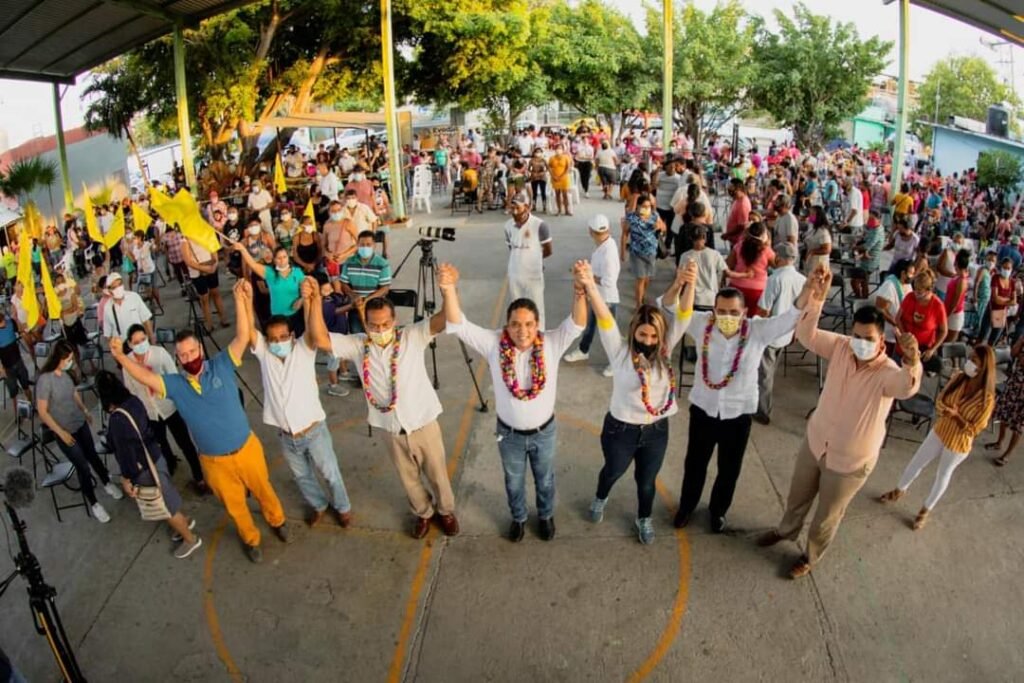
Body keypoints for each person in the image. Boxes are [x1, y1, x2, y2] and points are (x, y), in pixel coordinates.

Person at [757, 269, 922, 578]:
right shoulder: (842, 347)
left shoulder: (887, 372)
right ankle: (785, 531)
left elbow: (906, 387)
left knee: (827, 515)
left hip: (850, 461)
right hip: (816, 442)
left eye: (868, 339)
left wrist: (912, 361)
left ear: (881, 339)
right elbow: (806, 335)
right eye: (857, 336)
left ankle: (810, 556)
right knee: (797, 497)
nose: (860, 343)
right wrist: (816, 299)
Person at [110, 281, 290, 564]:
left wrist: (241, 300)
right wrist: (121, 356)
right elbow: (145, 377)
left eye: (192, 352)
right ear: (177, 358)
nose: (188, 358)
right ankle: (251, 539)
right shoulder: (175, 385)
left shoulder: (221, 365)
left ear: (201, 351)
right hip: (214, 462)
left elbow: (243, 336)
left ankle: (277, 520)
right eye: (182, 355)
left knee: (264, 489)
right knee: (234, 505)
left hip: (247, 448)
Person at [310, 271, 461, 539]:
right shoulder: (358, 345)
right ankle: (423, 512)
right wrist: (312, 302)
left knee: (438, 474)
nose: (380, 330)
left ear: (395, 321)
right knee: (408, 479)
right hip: (390, 429)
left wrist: (448, 290)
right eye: (374, 325)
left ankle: (446, 511)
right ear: (365, 324)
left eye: (385, 324)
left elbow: (444, 318)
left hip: (423, 423)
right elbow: (320, 339)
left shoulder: (412, 336)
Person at [445, 266, 587, 542]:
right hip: (509, 435)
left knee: (545, 479)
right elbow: (458, 324)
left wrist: (580, 291)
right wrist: (449, 288)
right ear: (506, 326)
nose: (522, 331)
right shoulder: (494, 344)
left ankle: (545, 515)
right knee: (513, 481)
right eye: (515, 324)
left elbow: (577, 324)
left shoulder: (551, 344)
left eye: (529, 324)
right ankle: (519, 517)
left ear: (537, 325)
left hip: (544, 433)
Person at [673, 280, 811, 533]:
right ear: (713, 311)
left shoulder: (757, 330)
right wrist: (683, 282)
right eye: (722, 311)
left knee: (729, 469)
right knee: (695, 464)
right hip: (703, 409)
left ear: (745, 312)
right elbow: (670, 308)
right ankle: (686, 507)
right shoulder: (702, 324)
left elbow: (790, 318)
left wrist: (808, 290)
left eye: (734, 312)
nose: (727, 317)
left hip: (738, 415)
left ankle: (718, 511)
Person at [578, 259, 696, 543]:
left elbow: (684, 315)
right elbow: (604, 318)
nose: (648, 340)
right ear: (633, 332)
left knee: (646, 482)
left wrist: (689, 282)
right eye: (643, 334)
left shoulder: (665, 351)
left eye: (654, 335)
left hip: (657, 431)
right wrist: (590, 286)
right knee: (612, 472)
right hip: (621, 430)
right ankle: (601, 497)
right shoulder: (619, 352)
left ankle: (644, 518)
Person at [244, 286, 353, 529]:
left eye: (283, 337)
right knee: (302, 476)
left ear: (293, 336)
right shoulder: (265, 356)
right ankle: (319, 505)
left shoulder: (304, 350)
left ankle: (343, 507)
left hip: (314, 431)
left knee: (330, 473)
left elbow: (313, 330)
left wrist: (311, 300)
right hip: (286, 436)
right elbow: (249, 330)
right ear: (267, 341)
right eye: (273, 339)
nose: (278, 342)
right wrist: (245, 300)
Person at [879, 345, 996, 529]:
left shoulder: (986, 399)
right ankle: (899, 490)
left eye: (974, 361)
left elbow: (974, 429)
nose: (969, 363)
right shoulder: (959, 378)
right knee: (917, 461)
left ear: (984, 368)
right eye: (970, 358)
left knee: (943, 475)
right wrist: (946, 412)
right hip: (940, 430)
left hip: (958, 443)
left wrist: (956, 417)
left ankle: (925, 510)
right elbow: (940, 400)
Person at [97, 371, 203, 559]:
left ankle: (190, 539)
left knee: (164, 506)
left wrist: (126, 479)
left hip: (144, 468)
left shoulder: (117, 420)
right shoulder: (134, 401)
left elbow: (125, 454)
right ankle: (184, 522)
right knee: (167, 495)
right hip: (156, 456)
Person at [36, 340, 122, 523]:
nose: (71, 362)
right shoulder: (45, 380)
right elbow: (42, 412)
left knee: (92, 455)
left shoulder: (67, 373)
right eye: (68, 359)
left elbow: (73, 393)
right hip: (65, 431)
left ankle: (107, 482)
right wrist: (61, 433)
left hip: (79, 423)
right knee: (82, 466)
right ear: (58, 358)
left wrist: (84, 410)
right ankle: (94, 503)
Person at [120, 324, 208, 494]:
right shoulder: (128, 364)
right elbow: (131, 391)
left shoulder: (159, 354)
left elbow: (174, 377)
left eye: (143, 339)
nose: (141, 344)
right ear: (130, 344)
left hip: (169, 407)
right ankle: (171, 465)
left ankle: (199, 477)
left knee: (185, 443)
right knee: (161, 444)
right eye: (136, 342)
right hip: (150, 413)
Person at [754, 243, 806, 425]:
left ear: (779, 258)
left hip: (771, 334)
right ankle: (763, 404)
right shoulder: (802, 280)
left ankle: (763, 411)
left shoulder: (775, 279)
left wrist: (754, 327)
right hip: (788, 333)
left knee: (764, 374)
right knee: (771, 370)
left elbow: (764, 310)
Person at [564, 215, 620, 373]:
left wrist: (587, 276)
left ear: (590, 231)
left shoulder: (608, 253)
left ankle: (616, 362)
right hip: (597, 296)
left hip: (606, 300)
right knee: (590, 326)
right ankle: (583, 350)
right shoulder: (604, 245)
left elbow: (609, 281)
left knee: (609, 334)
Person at [233, 244, 306, 336]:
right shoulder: (270, 273)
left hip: (296, 314)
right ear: (274, 260)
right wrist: (243, 250)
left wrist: (301, 300)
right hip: (278, 316)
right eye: (279, 258)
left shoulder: (297, 272)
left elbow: (306, 290)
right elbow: (253, 265)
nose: (282, 260)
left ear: (288, 257)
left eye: (284, 257)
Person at [505, 192, 553, 328]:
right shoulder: (507, 226)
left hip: (533, 276)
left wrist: (535, 259)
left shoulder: (540, 225)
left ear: (526, 207)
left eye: (518, 208)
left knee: (537, 309)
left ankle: (539, 336)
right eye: (512, 208)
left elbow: (548, 250)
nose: (514, 211)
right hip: (515, 275)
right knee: (517, 310)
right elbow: (511, 248)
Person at [339, 231, 392, 333]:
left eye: (368, 245)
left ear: (374, 246)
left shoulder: (382, 264)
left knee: (376, 335)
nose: (365, 247)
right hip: (355, 307)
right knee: (357, 336)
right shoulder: (349, 262)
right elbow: (344, 283)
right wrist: (353, 295)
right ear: (357, 245)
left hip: (375, 308)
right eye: (362, 245)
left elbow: (385, 288)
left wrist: (368, 299)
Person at [898, 270, 947, 373]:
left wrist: (932, 349)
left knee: (915, 374)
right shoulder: (910, 297)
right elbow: (898, 318)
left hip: (923, 349)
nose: (916, 294)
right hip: (904, 346)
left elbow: (943, 331)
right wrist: (904, 336)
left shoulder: (938, 306)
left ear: (929, 290)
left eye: (919, 292)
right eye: (915, 289)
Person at [985, 334, 1024, 466]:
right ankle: (999, 442)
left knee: (1018, 424)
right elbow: (1013, 353)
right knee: (1004, 413)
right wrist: (1021, 340)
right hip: (1015, 382)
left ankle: (1007, 454)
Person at [622, 193, 665, 307]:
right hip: (637, 253)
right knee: (640, 279)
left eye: (649, 206)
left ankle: (642, 295)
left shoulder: (654, 215)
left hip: (651, 253)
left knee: (647, 278)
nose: (647, 209)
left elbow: (664, 228)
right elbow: (625, 233)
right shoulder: (632, 218)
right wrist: (622, 251)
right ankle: (638, 304)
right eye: (644, 206)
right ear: (638, 206)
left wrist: (660, 226)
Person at [181, 237, 230, 330]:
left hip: (211, 267)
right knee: (204, 298)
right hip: (197, 273)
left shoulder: (206, 234)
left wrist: (215, 264)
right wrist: (205, 268)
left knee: (216, 292)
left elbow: (214, 250)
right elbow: (188, 261)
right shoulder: (185, 240)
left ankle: (223, 318)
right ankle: (209, 324)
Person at [677, 224, 728, 311]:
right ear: (705, 237)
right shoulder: (715, 254)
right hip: (711, 299)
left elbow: (680, 278)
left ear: (690, 238)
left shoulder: (685, 256)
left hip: (692, 299)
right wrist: (745, 275)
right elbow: (727, 272)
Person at [728, 222, 775, 311]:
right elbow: (778, 266)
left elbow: (728, 264)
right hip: (758, 290)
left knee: (736, 316)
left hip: (736, 287)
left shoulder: (739, 246)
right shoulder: (766, 250)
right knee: (754, 319)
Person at [874, 258, 916, 357]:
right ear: (903, 273)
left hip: (901, 330)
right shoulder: (889, 286)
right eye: (911, 273)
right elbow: (880, 309)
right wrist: (895, 323)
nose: (913, 276)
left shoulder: (907, 284)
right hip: (889, 332)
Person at [101, 271, 154, 345]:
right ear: (109, 291)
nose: (118, 288)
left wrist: (151, 339)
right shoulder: (108, 307)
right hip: (122, 346)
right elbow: (108, 334)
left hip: (139, 342)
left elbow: (146, 320)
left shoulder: (134, 297)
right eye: (114, 287)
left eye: (120, 284)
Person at [0, 309, 31, 408]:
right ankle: (17, 413)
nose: (4, 323)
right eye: (2, 322)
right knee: (14, 394)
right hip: (8, 368)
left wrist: (17, 320)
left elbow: (20, 329)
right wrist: (1, 369)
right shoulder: (10, 322)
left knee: (26, 386)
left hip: (18, 362)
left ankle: (31, 405)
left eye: (3, 320)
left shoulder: (10, 323)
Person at [850, 211, 884, 299]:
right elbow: (865, 239)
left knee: (855, 281)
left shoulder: (877, 231)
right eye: (869, 218)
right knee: (864, 281)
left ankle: (859, 297)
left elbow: (867, 246)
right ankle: (863, 297)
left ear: (879, 220)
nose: (870, 220)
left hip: (870, 262)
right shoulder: (874, 228)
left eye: (872, 219)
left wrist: (855, 247)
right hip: (866, 259)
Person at [944, 249, 972, 341]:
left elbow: (955, 303)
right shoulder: (958, 276)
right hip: (948, 311)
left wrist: (946, 316)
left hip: (954, 315)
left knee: (947, 342)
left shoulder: (962, 280)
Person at [802, 206, 832, 276]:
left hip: (819, 264)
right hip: (811, 262)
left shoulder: (823, 231)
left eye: (812, 214)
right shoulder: (813, 228)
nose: (810, 216)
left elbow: (827, 249)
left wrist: (812, 252)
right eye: (809, 214)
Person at [548, 144, 573, 216]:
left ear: (562, 150)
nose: (558, 150)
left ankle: (567, 210)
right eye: (557, 148)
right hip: (555, 178)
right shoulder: (552, 158)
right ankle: (559, 210)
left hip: (564, 178)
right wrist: (553, 176)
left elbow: (568, 168)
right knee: (557, 194)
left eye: (560, 148)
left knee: (565, 194)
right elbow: (549, 167)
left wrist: (562, 176)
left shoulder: (566, 157)